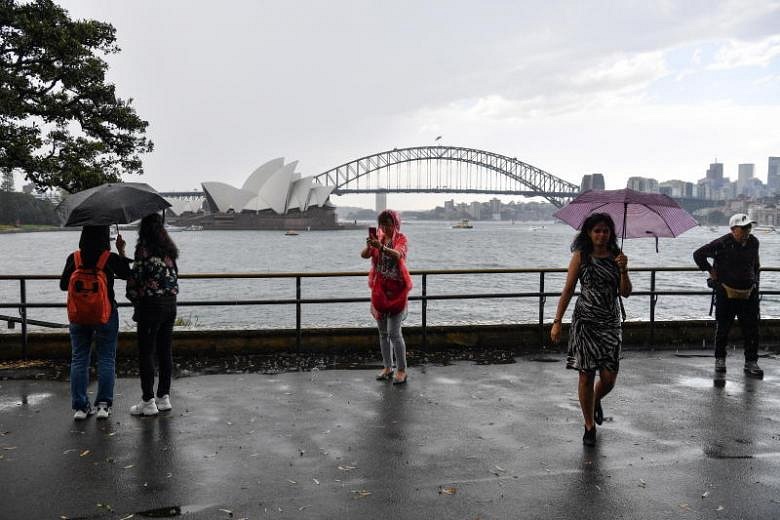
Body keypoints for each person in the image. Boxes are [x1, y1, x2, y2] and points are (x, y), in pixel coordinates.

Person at [550, 213, 632, 446]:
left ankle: (595, 400)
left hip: (610, 322)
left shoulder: (618, 257)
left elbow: (625, 292)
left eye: (605, 230)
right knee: (586, 375)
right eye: (597, 230)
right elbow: (567, 290)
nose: (601, 234)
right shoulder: (581, 256)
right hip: (585, 322)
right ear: (588, 232)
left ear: (610, 233)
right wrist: (557, 322)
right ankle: (589, 426)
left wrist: (624, 270)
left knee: (609, 378)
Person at [60, 225, 131, 420]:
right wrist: (121, 249)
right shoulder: (108, 258)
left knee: (79, 358)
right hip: (105, 313)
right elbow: (128, 274)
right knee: (106, 358)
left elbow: (63, 285)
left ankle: (81, 408)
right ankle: (103, 406)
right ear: (104, 238)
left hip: (79, 315)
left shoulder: (74, 258)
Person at [693, 213, 763, 378]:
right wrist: (710, 270)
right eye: (743, 228)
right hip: (726, 291)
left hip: (749, 292)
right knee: (723, 328)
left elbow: (756, 264)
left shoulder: (754, 242)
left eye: (749, 227)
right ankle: (720, 360)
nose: (747, 231)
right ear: (733, 229)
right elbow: (698, 254)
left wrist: (756, 283)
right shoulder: (722, 243)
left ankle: (751, 361)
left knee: (752, 330)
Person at [126, 213, 180, 416]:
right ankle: (163, 397)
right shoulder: (170, 251)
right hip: (170, 305)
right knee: (165, 350)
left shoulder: (144, 250)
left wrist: (134, 298)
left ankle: (148, 401)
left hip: (151, 306)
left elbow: (135, 280)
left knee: (146, 353)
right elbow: (173, 278)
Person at [361, 209, 413, 385]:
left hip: (397, 292)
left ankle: (401, 370)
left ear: (395, 224)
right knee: (383, 333)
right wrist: (371, 245)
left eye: (388, 224)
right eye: (382, 224)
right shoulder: (379, 239)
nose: (385, 227)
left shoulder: (401, 239)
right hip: (380, 292)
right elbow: (364, 255)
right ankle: (387, 367)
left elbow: (399, 254)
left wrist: (381, 248)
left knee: (394, 333)